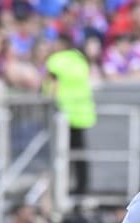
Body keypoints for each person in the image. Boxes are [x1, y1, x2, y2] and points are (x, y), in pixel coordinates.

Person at [44, 33, 97, 196]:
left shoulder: (56, 61)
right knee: (80, 153)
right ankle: (83, 187)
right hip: (82, 112)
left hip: (64, 113)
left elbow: (52, 85)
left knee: (62, 154)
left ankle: (64, 187)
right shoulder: (81, 60)